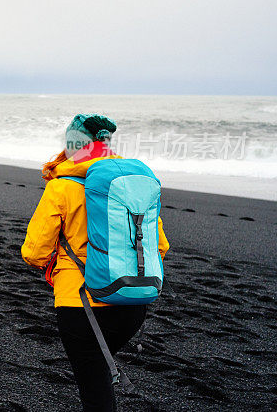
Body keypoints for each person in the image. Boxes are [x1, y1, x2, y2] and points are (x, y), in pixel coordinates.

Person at [21, 114, 169, 412]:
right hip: (132, 301)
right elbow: (161, 246)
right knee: (98, 373)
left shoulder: (61, 186)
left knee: (95, 390)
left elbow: (34, 252)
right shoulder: (131, 187)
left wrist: (57, 266)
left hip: (81, 306)